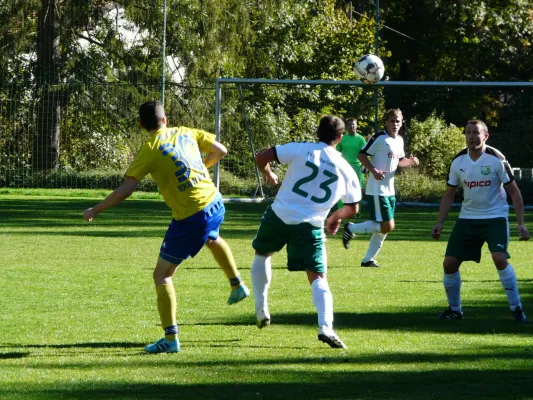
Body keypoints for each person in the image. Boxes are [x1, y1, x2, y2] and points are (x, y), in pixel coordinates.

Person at [83, 100, 250, 353]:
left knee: (162, 275)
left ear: (141, 124)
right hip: (215, 201)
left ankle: (171, 340)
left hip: (192, 215)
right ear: (165, 119)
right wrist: (200, 171)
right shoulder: (186, 131)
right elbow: (221, 150)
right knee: (212, 237)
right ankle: (237, 285)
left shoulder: (150, 148)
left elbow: (127, 189)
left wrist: (96, 209)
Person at [251, 115, 362, 349]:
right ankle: (326, 327)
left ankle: (261, 308)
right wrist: (335, 217)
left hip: (280, 214)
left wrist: (268, 173)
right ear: (340, 138)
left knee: (263, 254)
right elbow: (353, 208)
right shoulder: (345, 168)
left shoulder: (301, 149)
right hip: (311, 224)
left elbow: (262, 156)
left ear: (317, 132)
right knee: (318, 277)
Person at [431, 120, 530, 322]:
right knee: (449, 264)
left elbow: (514, 192)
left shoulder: (497, 159)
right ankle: (455, 310)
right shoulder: (458, 161)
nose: (471, 136)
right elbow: (449, 194)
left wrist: (521, 223)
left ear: (485, 136)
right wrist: (440, 222)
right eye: (468, 133)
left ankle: (517, 308)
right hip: (468, 218)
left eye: (476, 133)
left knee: (500, 258)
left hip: (495, 217)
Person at [342, 109, 419, 267]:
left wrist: (410, 162)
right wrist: (373, 171)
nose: (395, 124)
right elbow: (361, 155)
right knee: (388, 225)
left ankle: (367, 260)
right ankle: (351, 228)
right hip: (377, 190)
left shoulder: (399, 141)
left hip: (390, 190)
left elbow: (399, 161)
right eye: (392, 121)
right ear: (386, 122)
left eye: (398, 121)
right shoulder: (379, 138)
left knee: (383, 228)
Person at [337, 118, 367, 191]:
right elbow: (337, 152)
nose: (351, 126)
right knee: (344, 188)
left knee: (358, 189)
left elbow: (365, 154)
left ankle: (359, 203)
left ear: (356, 126)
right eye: (349, 124)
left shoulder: (361, 139)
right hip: (345, 167)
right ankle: (343, 203)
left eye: (353, 124)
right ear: (347, 126)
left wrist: (365, 166)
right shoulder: (342, 138)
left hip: (358, 168)